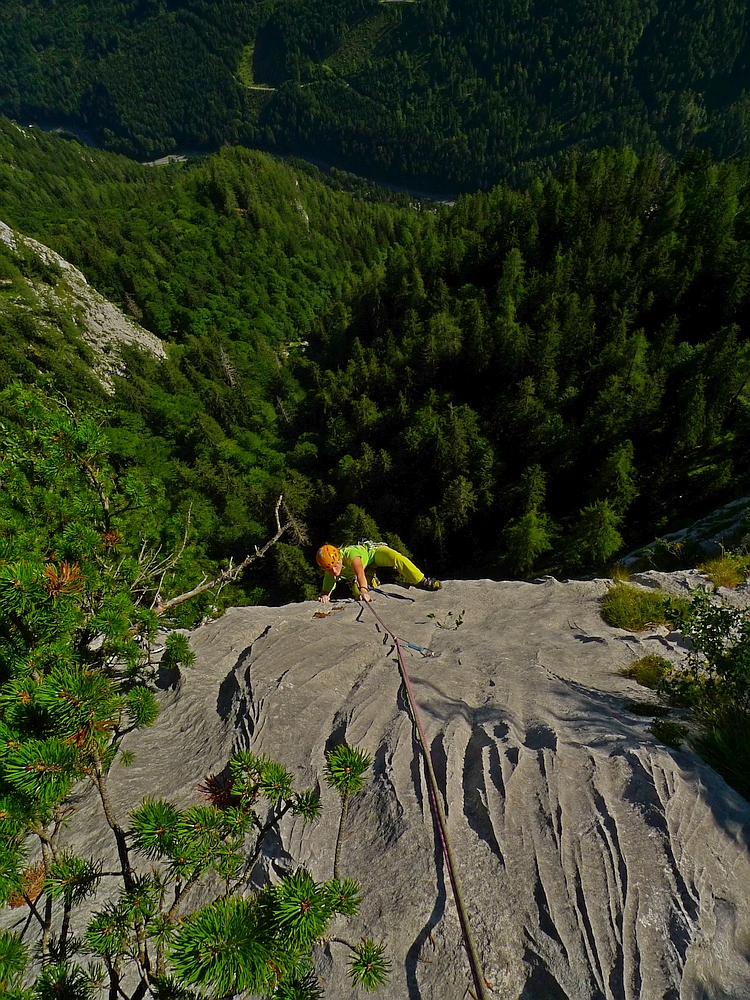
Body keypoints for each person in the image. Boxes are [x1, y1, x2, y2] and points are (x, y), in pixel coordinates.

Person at [316, 542, 441, 603]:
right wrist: (325, 596)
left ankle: (422, 580)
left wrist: (364, 591)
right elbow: (326, 591)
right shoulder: (329, 570)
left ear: (339, 558)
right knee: (356, 591)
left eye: (335, 565)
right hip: (362, 571)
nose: (334, 571)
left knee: (396, 558)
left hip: (373, 554)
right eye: (329, 569)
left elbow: (360, 574)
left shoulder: (350, 555)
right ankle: (372, 582)